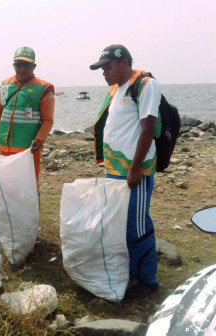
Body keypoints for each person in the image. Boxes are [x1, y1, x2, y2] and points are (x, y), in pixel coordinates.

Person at [90, 44, 161, 298]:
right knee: (121, 223)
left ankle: (148, 281)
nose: (103, 73)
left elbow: (147, 129)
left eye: (107, 67)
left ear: (124, 63)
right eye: (102, 68)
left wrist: (135, 169)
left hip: (134, 172)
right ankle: (133, 270)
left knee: (137, 225)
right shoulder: (116, 88)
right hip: (116, 171)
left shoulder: (144, 84)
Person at [0, 46, 55, 189]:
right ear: (13, 65)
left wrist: (39, 139)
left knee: (28, 187)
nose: (22, 69)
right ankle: (8, 212)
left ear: (33, 66)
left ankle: (30, 212)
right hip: (5, 147)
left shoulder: (44, 88)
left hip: (28, 149)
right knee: (6, 185)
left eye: (26, 65)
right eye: (18, 64)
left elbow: (48, 120)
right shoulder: (6, 85)